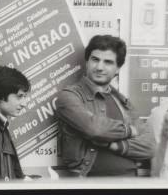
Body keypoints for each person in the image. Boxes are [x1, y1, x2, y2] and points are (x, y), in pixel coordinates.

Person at [55, 35, 156, 177]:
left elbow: (150, 147)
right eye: (95, 59)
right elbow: (95, 129)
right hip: (90, 184)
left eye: (108, 62)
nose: (99, 67)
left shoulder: (123, 102)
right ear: (87, 61)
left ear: (118, 69)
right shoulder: (69, 96)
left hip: (130, 182)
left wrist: (112, 144)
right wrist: (130, 131)